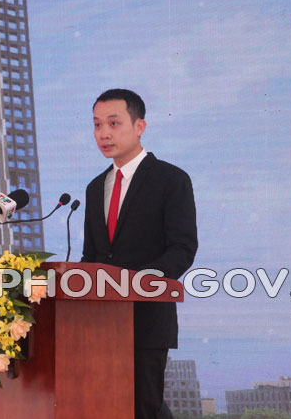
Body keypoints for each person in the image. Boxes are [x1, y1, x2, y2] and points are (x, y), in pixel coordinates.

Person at [81, 88, 198, 419]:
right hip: (97, 324)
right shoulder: (95, 188)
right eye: (97, 125)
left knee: (143, 407)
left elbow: (182, 247)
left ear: (139, 126)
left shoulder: (171, 179)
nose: (103, 133)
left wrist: (138, 283)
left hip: (147, 320)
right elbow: (92, 256)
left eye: (113, 123)